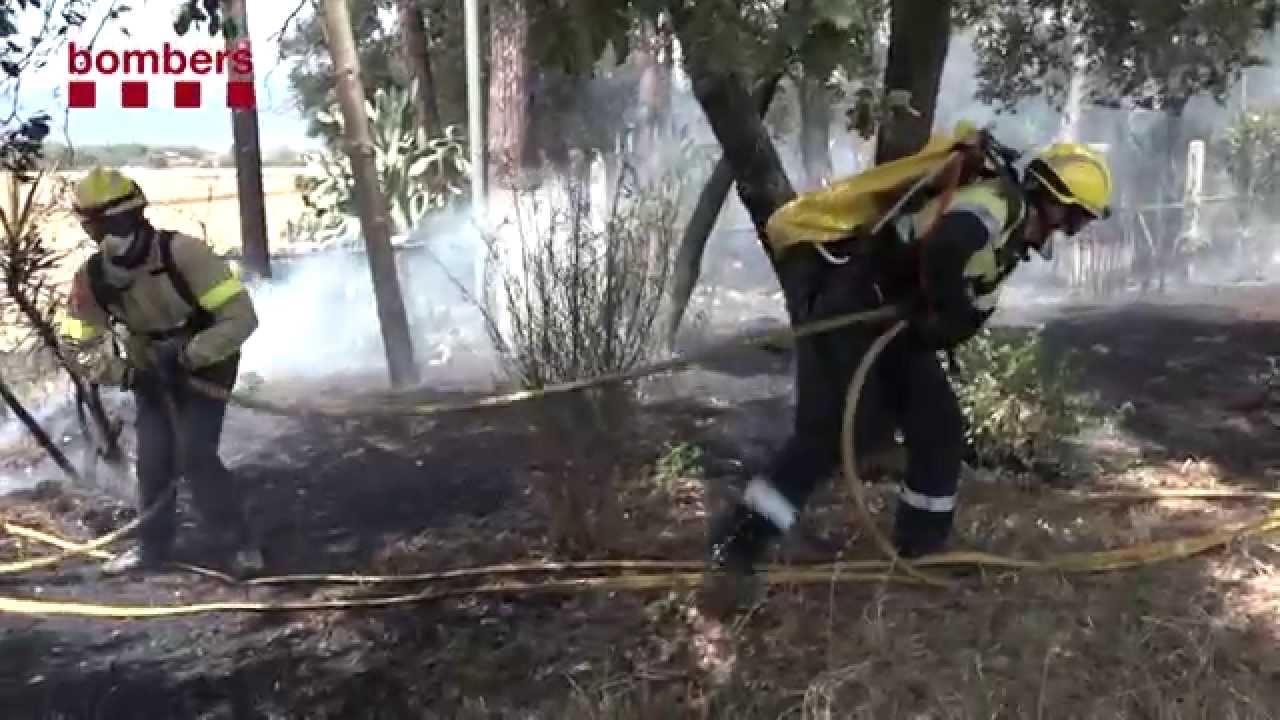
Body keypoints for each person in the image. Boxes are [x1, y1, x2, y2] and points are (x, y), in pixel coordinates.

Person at [702, 139, 1114, 613]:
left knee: (938, 426)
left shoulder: (1009, 240)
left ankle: (922, 547)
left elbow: (962, 307)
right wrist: (948, 308)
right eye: (1076, 218)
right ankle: (737, 543)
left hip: (894, 324)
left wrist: (946, 320)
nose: (1072, 232)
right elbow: (947, 247)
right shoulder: (994, 204)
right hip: (856, 305)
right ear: (1052, 197)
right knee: (835, 435)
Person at [57, 166, 264, 576]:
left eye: (115, 222)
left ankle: (237, 544)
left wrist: (189, 356)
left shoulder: (184, 254)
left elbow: (240, 318)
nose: (109, 236)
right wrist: (125, 374)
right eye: (98, 228)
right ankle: (153, 548)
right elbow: (75, 344)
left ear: (136, 216)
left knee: (194, 453)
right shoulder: (93, 278)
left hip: (209, 361)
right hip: (148, 370)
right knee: (152, 461)